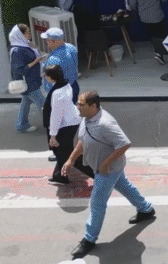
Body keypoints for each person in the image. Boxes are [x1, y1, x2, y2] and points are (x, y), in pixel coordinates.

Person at [64, 91, 156, 259]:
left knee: (97, 205)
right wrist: (71, 159)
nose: (78, 106)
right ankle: (146, 209)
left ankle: (89, 239)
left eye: (81, 104)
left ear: (93, 106)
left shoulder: (105, 124)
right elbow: (83, 140)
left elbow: (124, 143)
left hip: (108, 171)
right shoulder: (86, 118)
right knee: (124, 186)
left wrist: (106, 164)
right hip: (107, 169)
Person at [44, 65, 94, 185]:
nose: (45, 77)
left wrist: (53, 135)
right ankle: (59, 176)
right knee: (62, 152)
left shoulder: (58, 93)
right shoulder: (66, 84)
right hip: (71, 121)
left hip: (65, 125)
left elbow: (56, 116)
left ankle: (98, 174)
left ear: (51, 77)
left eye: (46, 75)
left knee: (68, 155)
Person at [128, 0, 168, 65]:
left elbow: (132, 5)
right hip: (157, 16)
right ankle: (160, 53)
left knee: (152, 37)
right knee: (161, 36)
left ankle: (159, 52)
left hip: (145, 18)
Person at [9, 24, 45, 133]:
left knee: (25, 103)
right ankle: (55, 126)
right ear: (21, 35)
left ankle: (21, 125)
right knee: (44, 105)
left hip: (31, 81)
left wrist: (33, 48)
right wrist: (35, 62)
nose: (30, 34)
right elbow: (19, 70)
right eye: (27, 32)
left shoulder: (24, 46)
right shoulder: (17, 50)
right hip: (29, 83)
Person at [42, 27, 79, 103]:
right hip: (74, 86)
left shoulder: (53, 60)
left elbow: (50, 81)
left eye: (47, 40)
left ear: (54, 41)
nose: (46, 42)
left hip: (61, 93)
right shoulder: (71, 47)